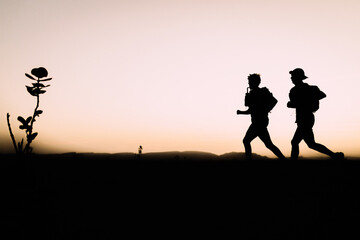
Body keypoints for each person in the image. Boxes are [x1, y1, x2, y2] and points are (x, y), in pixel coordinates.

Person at [287, 68, 344, 160]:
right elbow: (295, 103)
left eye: (293, 77)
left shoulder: (309, 88)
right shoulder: (295, 90)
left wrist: (302, 101)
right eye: (292, 77)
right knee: (311, 144)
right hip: (303, 118)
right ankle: (335, 156)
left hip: (306, 118)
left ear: (298, 78)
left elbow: (322, 95)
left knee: (295, 142)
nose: (291, 78)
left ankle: (293, 162)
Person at [237, 73, 286, 160]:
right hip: (259, 121)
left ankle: (248, 160)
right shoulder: (252, 93)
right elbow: (251, 110)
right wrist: (241, 112)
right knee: (268, 144)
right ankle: (284, 159)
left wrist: (265, 110)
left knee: (246, 141)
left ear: (256, 82)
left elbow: (274, 101)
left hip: (259, 121)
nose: (249, 84)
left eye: (250, 82)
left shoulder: (262, 91)